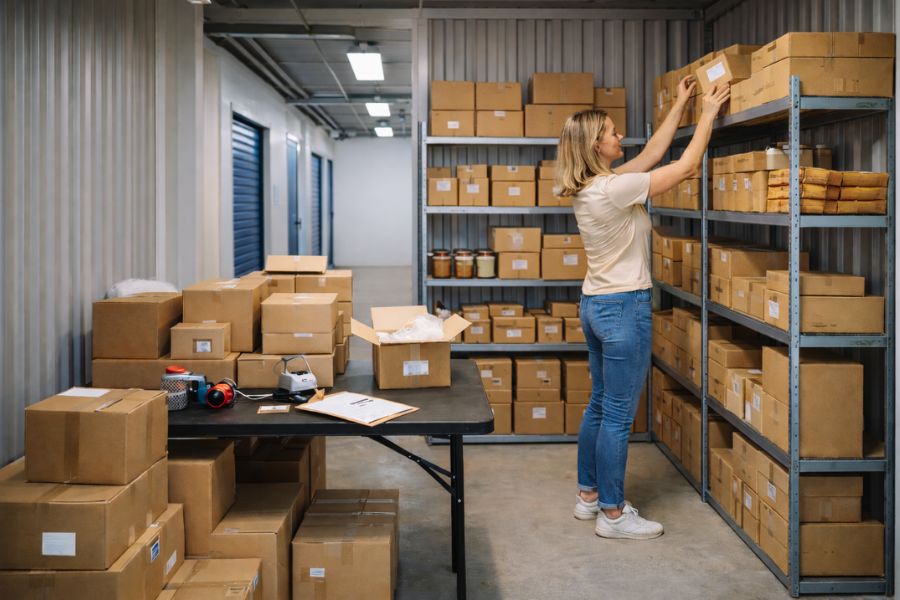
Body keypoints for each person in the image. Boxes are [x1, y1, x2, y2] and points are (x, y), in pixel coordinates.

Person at [556, 77, 731, 540]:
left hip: (594, 305)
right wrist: (709, 112)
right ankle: (613, 515)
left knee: (598, 406)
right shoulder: (614, 189)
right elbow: (686, 165)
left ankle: (588, 496)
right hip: (623, 307)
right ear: (597, 144)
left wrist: (680, 105)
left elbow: (654, 154)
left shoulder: (596, 185)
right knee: (616, 414)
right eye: (613, 132)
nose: (620, 137)